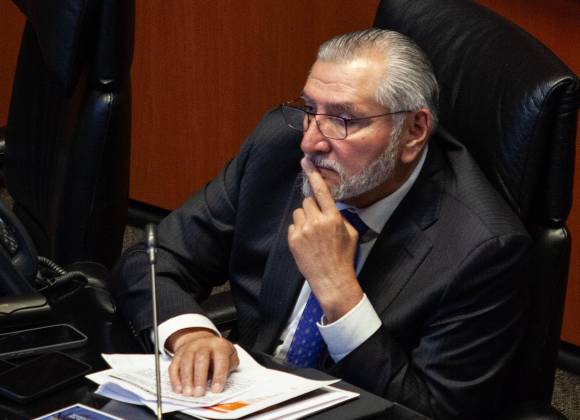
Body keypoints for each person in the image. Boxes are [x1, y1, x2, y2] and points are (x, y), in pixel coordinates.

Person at [112, 28, 530, 419]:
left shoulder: (482, 248)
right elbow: (153, 258)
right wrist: (192, 336)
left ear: (413, 130)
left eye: (344, 119)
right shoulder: (278, 148)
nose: (310, 141)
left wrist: (340, 295)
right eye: (310, 110)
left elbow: (433, 412)